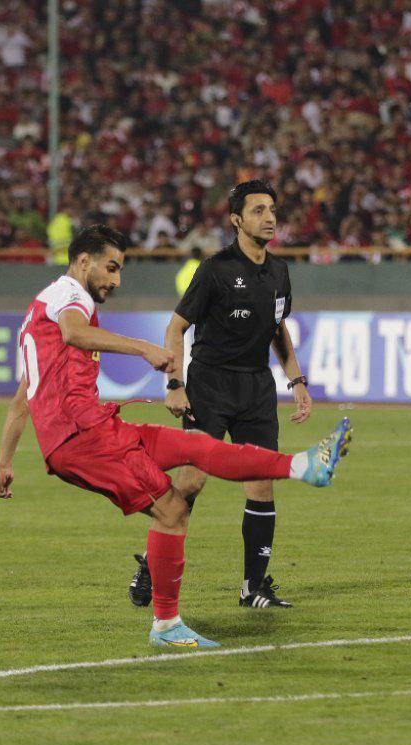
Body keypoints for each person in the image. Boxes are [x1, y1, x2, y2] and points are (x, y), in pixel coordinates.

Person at [0, 224, 351, 650]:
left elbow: (23, 398)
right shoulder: (72, 296)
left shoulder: (40, 309)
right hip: (81, 437)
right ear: (83, 261)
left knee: (195, 447)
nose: (116, 280)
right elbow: (74, 332)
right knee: (173, 509)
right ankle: (165, 623)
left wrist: (4, 463)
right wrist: (143, 348)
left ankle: (303, 465)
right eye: (111, 268)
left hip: (94, 428)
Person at [129, 180, 312, 611]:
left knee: (262, 482)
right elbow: (176, 327)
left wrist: (296, 380)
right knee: (192, 479)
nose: (269, 218)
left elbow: (277, 328)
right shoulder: (215, 270)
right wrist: (175, 385)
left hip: (256, 387)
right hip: (209, 385)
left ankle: (254, 587)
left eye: (272, 209)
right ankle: (152, 565)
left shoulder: (280, 272)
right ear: (236, 220)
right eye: (258, 210)